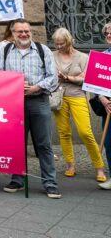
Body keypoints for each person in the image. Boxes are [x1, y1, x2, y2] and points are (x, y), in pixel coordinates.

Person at [0, 18, 61, 198]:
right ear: (12, 33)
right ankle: (17, 179)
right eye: (19, 31)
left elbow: (53, 77)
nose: (24, 34)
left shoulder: (42, 50)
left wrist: (36, 87)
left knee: (44, 144)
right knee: (16, 144)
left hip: (39, 101)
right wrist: (13, 86)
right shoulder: (5, 50)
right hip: (14, 103)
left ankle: (50, 183)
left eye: (26, 31)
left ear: (31, 32)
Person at [49, 28, 106, 183]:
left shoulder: (82, 57)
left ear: (69, 41)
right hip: (58, 97)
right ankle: (70, 165)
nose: (58, 46)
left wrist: (67, 77)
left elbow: (86, 78)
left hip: (78, 96)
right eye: (56, 44)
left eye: (61, 43)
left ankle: (99, 167)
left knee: (85, 132)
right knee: (64, 132)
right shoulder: (51, 56)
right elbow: (50, 75)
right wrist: (73, 77)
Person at [95, 22, 111, 190]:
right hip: (108, 108)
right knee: (110, 143)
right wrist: (103, 99)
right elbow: (95, 84)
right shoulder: (102, 57)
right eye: (106, 33)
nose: (108, 35)